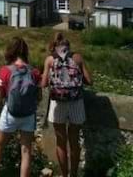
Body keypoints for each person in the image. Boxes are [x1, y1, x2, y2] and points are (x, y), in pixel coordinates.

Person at [0, 37, 41, 177]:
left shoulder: (5, 71)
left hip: (10, 113)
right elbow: (38, 95)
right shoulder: (34, 72)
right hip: (28, 115)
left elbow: (1, 94)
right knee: (26, 151)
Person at [41, 33, 92, 177]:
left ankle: (64, 175)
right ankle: (74, 174)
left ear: (56, 47)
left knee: (61, 143)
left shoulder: (50, 60)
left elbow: (44, 84)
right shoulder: (77, 58)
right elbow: (89, 80)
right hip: (76, 102)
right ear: (68, 47)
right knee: (74, 142)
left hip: (57, 103)